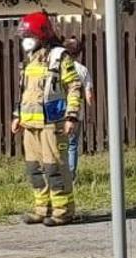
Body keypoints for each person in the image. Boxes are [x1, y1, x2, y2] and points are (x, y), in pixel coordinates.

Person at [7, 12, 84, 226]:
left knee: (55, 168)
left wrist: (71, 116)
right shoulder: (30, 60)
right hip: (30, 125)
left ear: (41, 34)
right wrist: (17, 116)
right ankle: (42, 208)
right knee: (35, 169)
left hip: (52, 123)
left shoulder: (60, 56)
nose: (25, 40)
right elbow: (25, 92)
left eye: (29, 35)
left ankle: (63, 211)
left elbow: (74, 87)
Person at [60, 37, 95, 175]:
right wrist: (90, 111)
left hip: (57, 112)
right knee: (72, 145)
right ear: (79, 53)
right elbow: (89, 95)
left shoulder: (58, 67)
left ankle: (57, 176)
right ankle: (71, 176)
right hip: (75, 114)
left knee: (57, 146)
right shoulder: (82, 70)